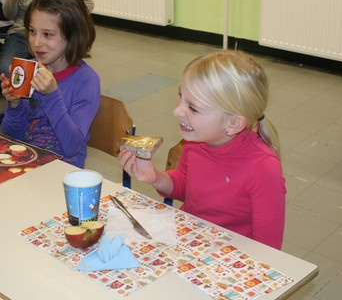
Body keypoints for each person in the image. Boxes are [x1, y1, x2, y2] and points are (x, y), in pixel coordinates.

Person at [119, 51, 286, 249]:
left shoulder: (263, 169)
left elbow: (268, 251)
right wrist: (155, 177)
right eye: (180, 97)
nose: (177, 111)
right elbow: (186, 188)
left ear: (233, 123)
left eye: (194, 108)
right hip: (192, 243)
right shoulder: (196, 141)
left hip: (231, 257)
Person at [1, 0, 100, 168]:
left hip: (63, 170)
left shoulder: (86, 81)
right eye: (32, 31)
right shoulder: (30, 69)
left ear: (73, 35)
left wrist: (52, 95)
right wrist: (14, 104)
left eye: (47, 34)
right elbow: (11, 137)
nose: (36, 42)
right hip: (26, 163)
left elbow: (72, 147)